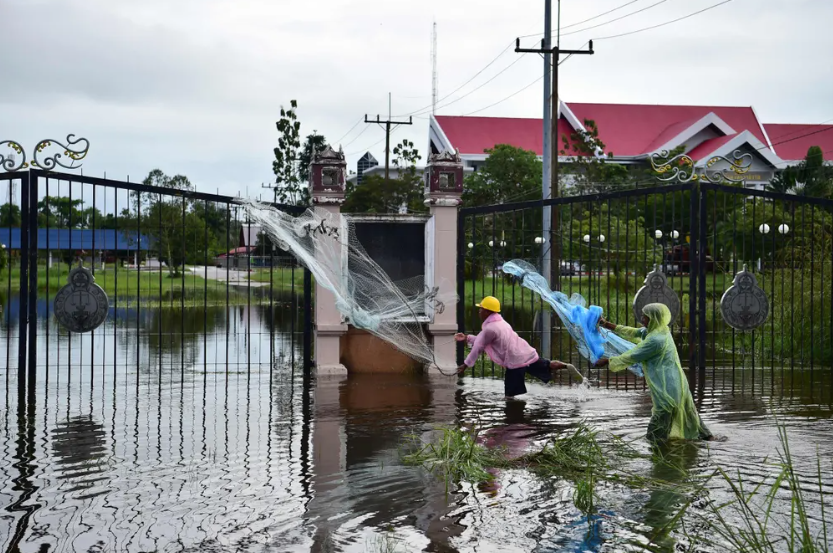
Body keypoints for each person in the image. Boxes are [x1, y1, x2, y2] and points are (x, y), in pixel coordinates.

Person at [596, 303, 713, 442]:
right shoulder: (660, 330)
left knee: (655, 434)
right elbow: (634, 332)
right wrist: (606, 324)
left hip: (667, 388)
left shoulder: (656, 340)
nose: (642, 319)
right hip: (677, 383)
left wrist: (607, 361)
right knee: (690, 416)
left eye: (645, 317)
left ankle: (658, 456)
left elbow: (633, 356)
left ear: (654, 318)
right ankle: (709, 440)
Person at [455, 296, 566, 398]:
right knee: (548, 365)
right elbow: (482, 341)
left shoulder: (489, 329)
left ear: (488, 311)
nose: (479, 311)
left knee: (510, 397)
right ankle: (567, 366)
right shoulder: (501, 322)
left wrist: (465, 365)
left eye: (481, 309)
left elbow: (478, 347)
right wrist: (466, 337)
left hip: (515, 361)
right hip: (526, 354)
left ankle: (515, 418)